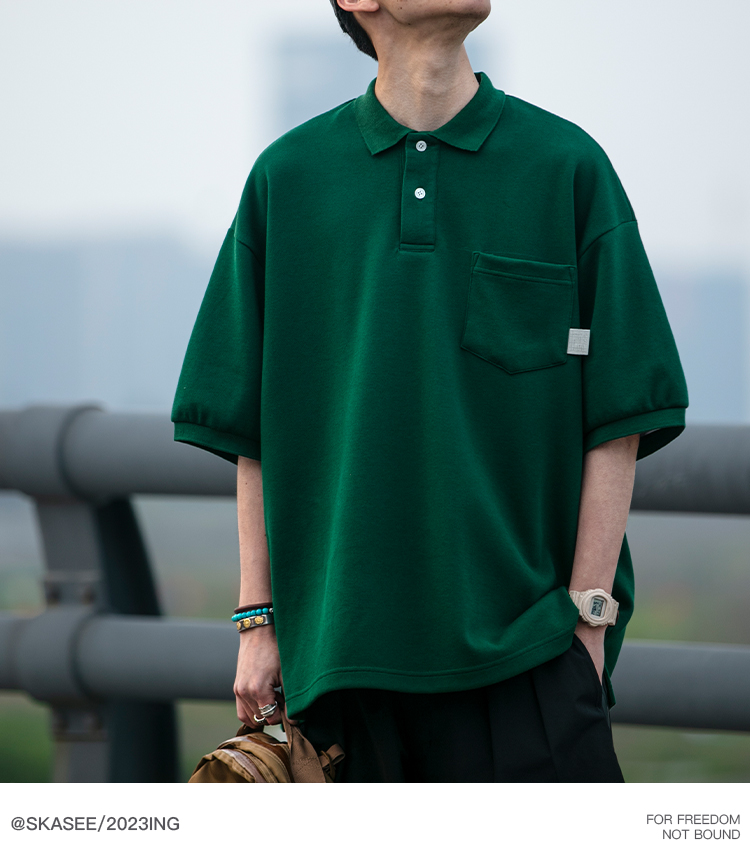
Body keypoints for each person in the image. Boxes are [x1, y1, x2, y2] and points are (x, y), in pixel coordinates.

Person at [171, 0, 689, 782]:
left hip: (532, 659)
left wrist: (587, 626)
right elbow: (253, 432)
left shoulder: (567, 167)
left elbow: (619, 418)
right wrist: (256, 623)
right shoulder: (288, 178)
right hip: (339, 668)